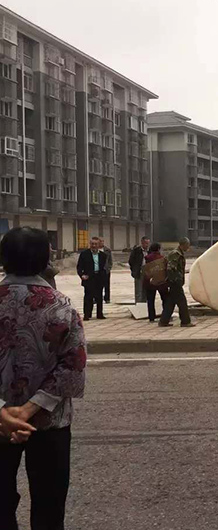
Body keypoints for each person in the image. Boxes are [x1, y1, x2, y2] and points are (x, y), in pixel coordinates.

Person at [0, 226, 87, 530]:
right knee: (49, 506)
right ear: (45, 260)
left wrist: (5, 412)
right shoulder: (60, 306)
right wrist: (29, 409)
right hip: (49, 421)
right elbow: (73, 366)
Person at [159, 237, 196, 327]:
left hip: (175, 282)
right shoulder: (176, 254)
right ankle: (185, 321)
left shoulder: (179, 253)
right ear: (183, 245)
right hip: (175, 282)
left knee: (170, 302)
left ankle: (163, 321)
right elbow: (170, 268)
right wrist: (175, 280)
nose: (188, 247)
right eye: (187, 245)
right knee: (182, 302)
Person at [77, 236, 107, 320]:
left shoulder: (103, 255)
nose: (94, 246)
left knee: (99, 296)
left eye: (95, 244)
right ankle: (87, 314)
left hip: (99, 277)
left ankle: (99, 314)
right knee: (88, 297)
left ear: (99, 245)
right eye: (92, 244)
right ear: (90, 244)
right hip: (89, 278)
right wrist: (82, 275)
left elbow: (104, 267)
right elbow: (79, 267)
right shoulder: (84, 254)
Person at [143, 242, 169, 322]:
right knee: (165, 299)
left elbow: (145, 269)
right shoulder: (162, 258)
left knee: (150, 300)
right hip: (161, 282)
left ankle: (151, 317)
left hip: (150, 282)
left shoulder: (147, 258)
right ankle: (165, 316)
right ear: (158, 249)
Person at [128, 236, 150, 303]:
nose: (147, 245)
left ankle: (144, 302)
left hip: (147, 272)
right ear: (142, 243)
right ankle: (138, 302)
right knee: (139, 289)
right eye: (145, 243)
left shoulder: (150, 251)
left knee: (146, 289)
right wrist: (134, 270)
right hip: (139, 271)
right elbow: (131, 261)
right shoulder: (136, 251)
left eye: (148, 243)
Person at [99, 237, 113, 303]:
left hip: (105, 270)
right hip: (97, 270)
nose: (101, 242)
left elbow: (110, 260)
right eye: (100, 241)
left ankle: (107, 298)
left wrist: (108, 268)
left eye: (102, 241)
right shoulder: (95, 250)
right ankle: (98, 298)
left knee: (107, 285)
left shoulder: (107, 250)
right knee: (98, 285)